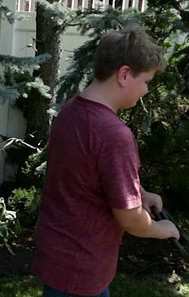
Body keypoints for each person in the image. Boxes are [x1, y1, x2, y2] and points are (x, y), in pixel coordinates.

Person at [32, 26, 180, 297]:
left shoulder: (71, 111)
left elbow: (88, 177)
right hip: (83, 267)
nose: (146, 90)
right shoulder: (114, 135)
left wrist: (142, 194)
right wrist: (160, 229)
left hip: (58, 255)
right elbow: (129, 217)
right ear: (124, 74)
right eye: (146, 81)